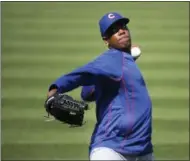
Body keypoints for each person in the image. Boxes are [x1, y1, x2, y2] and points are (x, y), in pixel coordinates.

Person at [46, 12, 154, 161]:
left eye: (123, 27)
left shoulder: (123, 61)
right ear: (106, 40)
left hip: (142, 149)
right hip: (112, 149)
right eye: (114, 31)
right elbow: (81, 74)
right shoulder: (112, 58)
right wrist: (55, 89)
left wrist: (130, 57)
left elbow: (87, 93)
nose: (121, 31)